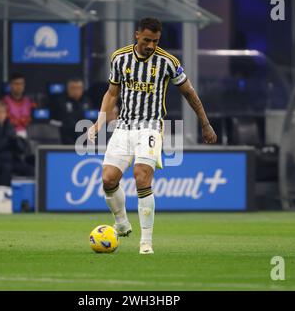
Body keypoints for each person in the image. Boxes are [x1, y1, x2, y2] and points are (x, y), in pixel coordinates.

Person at [88, 17, 217, 254]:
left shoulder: (168, 62)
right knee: (108, 179)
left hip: (151, 126)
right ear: (137, 34)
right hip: (124, 126)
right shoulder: (120, 58)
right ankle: (121, 222)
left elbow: (189, 93)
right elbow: (112, 93)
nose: (151, 45)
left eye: (155, 41)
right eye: (147, 40)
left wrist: (205, 123)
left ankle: (146, 242)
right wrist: (99, 122)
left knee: (141, 177)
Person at [0, 101, 34, 187]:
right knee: (5, 168)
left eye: (3, 112)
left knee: (31, 170)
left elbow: (19, 149)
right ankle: (4, 197)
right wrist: (8, 141)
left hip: (12, 160)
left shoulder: (9, 127)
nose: (0, 114)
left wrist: (16, 142)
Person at [50, 78, 92, 144]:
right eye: (73, 88)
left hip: (84, 135)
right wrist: (63, 125)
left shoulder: (87, 101)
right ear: (67, 89)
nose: (76, 91)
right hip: (65, 135)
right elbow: (52, 120)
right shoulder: (59, 101)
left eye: (78, 88)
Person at [2, 73, 35, 138]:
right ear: (10, 85)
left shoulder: (30, 102)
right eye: (16, 84)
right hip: (9, 135)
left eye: (21, 84)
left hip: (28, 135)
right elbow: (5, 120)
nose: (19, 86)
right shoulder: (3, 102)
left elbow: (33, 119)